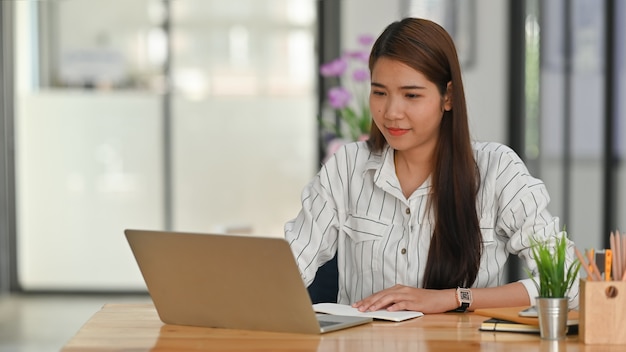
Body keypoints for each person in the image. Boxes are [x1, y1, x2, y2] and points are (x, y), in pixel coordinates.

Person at [285, 17, 579, 314]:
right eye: (379, 92)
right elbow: (289, 266)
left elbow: (568, 281)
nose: (391, 112)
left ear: (447, 96)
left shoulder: (497, 170)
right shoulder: (347, 166)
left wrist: (452, 298)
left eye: (411, 95)